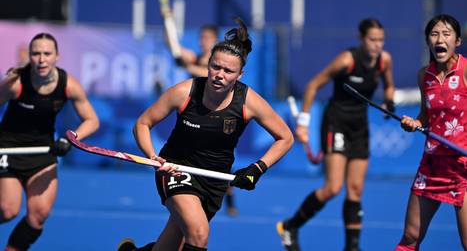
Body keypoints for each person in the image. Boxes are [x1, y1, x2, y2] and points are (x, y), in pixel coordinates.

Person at [117, 17, 294, 251]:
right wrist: (152, 156)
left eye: (228, 71)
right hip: (176, 168)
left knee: (172, 245)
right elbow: (142, 123)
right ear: (208, 64)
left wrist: (257, 168)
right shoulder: (184, 92)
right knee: (199, 234)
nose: (220, 75)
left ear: (240, 75)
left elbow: (285, 138)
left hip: (215, 178)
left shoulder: (249, 101)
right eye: (215, 67)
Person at [277, 18, 395, 251]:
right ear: (362, 40)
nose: (377, 45)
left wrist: (390, 102)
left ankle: (352, 247)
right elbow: (313, 85)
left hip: (359, 125)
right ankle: (291, 226)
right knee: (333, 187)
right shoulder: (347, 60)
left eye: (381, 40)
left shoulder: (384, 61)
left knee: (356, 189)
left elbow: (389, 85)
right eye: (372, 40)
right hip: (336, 122)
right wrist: (303, 123)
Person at [0, 33, 100, 251]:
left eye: (47, 53)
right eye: (36, 54)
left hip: (43, 151)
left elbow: (92, 121)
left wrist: (70, 138)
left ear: (57, 56)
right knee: (7, 211)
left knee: (39, 214)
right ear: (30, 56)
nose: (41, 59)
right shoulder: (15, 84)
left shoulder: (69, 85)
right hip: (8, 149)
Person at [396, 14, 467, 251]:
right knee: (410, 237)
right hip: (432, 164)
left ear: (457, 41)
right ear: (428, 40)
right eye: (435, 34)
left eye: (446, 34)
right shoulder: (423, 76)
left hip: (463, 167)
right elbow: (426, 116)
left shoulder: (466, 70)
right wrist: (414, 123)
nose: (440, 39)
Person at [173, 24, 239, 216]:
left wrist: (187, 66)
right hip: (195, 113)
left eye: (207, 38)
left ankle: (230, 201)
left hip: (218, 115)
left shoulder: (219, 62)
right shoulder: (197, 57)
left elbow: (205, 74)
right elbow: (176, 49)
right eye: (201, 37)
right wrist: (167, 26)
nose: (203, 41)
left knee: (219, 162)